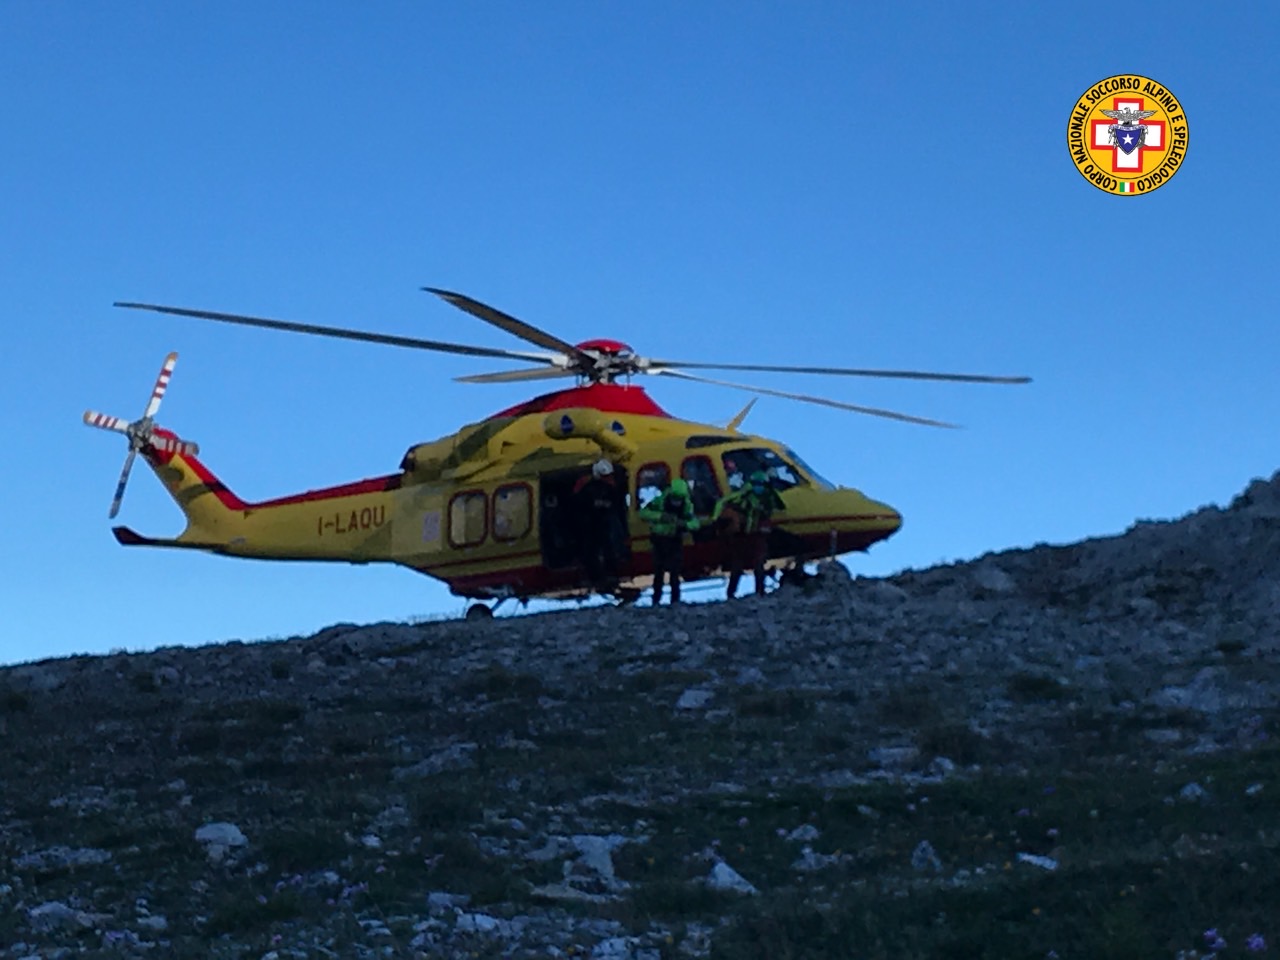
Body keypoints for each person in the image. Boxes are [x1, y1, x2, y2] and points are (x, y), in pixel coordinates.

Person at [712, 469, 786, 598]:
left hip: (757, 535)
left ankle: (759, 591)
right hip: (741, 535)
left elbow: (780, 506)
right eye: (756, 484)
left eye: (761, 484)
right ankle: (731, 593)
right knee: (737, 565)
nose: (758, 487)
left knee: (758, 564)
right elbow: (724, 503)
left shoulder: (768, 497)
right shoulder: (744, 495)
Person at [639, 477, 699, 605]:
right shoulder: (658, 501)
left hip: (674, 540)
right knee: (658, 572)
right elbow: (643, 513)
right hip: (658, 540)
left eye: (679, 499)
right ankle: (656, 599)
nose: (676, 501)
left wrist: (684, 524)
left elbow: (695, 523)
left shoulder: (687, 506)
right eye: (674, 498)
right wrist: (660, 516)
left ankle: (675, 600)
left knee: (675, 572)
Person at [573, 459, 627, 587]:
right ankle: (597, 577)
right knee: (592, 552)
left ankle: (609, 575)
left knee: (607, 549)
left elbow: (617, 506)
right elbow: (579, 505)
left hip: (604, 526)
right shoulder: (588, 489)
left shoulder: (609, 489)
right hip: (592, 526)